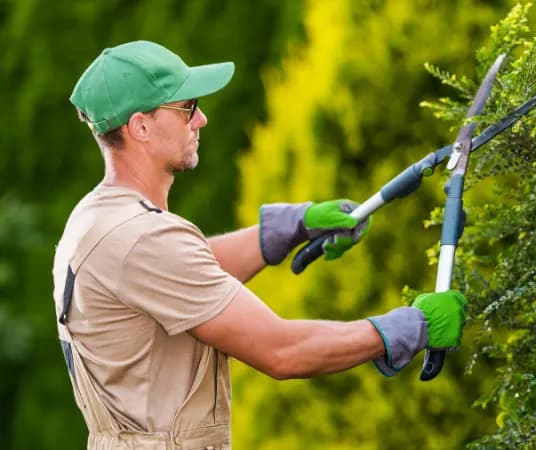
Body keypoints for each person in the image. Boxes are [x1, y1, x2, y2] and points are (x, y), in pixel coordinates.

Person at [52, 40, 467, 450]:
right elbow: (283, 351)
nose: (202, 120)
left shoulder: (99, 219)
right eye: (186, 108)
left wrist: (293, 226)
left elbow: (188, 276)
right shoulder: (141, 239)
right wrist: (412, 327)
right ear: (140, 126)